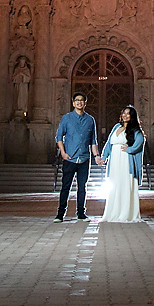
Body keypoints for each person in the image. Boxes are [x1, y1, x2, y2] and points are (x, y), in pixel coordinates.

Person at [54, 93, 103, 221]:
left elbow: (93, 140)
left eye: (82, 100)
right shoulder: (67, 118)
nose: (79, 102)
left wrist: (96, 156)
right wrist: (63, 153)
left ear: (85, 103)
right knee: (66, 187)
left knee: (82, 187)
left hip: (84, 159)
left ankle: (81, 213)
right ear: (73, 103)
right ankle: (60, 214)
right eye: (77, 100)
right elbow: (59, 137)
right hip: (70, 158)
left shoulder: (90, 120)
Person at [100, 104, 145, 223]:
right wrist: (104, 156)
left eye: (128, 113)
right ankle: (113, 213)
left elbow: (140, 141)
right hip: (114, 160)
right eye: (123, 113)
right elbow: (109, 143)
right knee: (115, 184)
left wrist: (130, 149)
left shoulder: (135, 130)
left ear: (132, 116)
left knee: (125, 184)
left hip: (126, 160)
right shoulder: (116, 127)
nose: (125, 115)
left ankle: (126, 213)